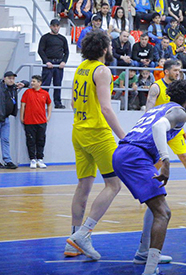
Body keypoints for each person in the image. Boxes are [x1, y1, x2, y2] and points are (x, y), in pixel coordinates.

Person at [113, 79, 186, 274]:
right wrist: (166, 161)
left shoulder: (157, 109)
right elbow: (158, 128)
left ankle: (144, 253)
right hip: (136, 156)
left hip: (123, 152)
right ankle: (150, 269)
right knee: (163, 213)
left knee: (156, 202)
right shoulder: (180, 112)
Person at [66, 30, 126, 260]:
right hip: (98, 134)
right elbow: (106, 108)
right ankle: (84, 233)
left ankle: (73, 240)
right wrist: (123, 136)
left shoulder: (81, 68)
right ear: (104, 49)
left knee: (83, 186)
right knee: (114, 185)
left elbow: (73, 102)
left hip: (78, 130)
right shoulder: (102, 70)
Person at [145, 59, 186, 203]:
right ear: (166, 71)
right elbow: (148, 111)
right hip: (159, 129)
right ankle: (147, 185)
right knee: (158, 161)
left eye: (179, 70)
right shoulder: (156, 87)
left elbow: (177, 112)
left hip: (173, 130)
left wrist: (181, 128)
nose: (178, 73)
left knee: (185, 157)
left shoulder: (178, 88)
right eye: (175, 70)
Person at [0, 71, 27, 169]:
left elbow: (27, 83)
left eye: (13, 79)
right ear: (4, 79)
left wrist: (23, 83)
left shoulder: (14, 88)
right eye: (9, 78)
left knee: (5, 139)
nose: (11, 80)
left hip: (5, 117)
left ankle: (7, 161)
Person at [20, 75, 52, 168]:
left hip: (41, 122)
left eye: (34, 81)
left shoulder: (45, 93)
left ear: (39, 83)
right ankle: (32, 159)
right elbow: (23, 105)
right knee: (30, 141)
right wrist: (22, 117)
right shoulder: (27, 92)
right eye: (32, 81)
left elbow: (49, 104)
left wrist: (48, 116)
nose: (32, 83)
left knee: (41, 140)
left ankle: (40, 159)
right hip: (29, 122)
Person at [38, 19, 69, 108]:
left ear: (59, 27)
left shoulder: (62, 38)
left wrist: (64, 61)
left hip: (59, 64)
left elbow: (66, 52)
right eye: (54, 26)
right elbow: (40, 51)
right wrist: (46, 61)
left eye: (57, 26)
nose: (56, 28)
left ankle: (57, 103)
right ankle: (42, 102)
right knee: (45, 84)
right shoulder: (45, 38)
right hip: (48, 64)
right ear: (50, 27)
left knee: (58, 84)